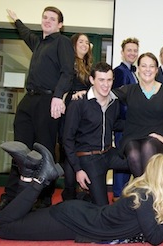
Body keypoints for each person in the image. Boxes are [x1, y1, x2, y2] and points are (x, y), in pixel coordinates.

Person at [0, 141, 163, 245]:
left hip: (79, 216)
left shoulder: (148, 193)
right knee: (0, 227)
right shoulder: (145, 195)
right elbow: (154, 237)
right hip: (74, 223)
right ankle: (39, 179)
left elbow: (150, 226)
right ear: (161, 178)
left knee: (20, 218)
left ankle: (27, 174)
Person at [0, 7, 74, 213]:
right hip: (29, 100)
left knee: (44, 151)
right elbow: (27, 34)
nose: (47, 21)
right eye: (45, 17)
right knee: (19, 150)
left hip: (47, 100)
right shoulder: (38, 43)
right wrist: (17, 20)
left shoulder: (61, 42)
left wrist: (57, 96)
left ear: (60, 25)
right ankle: (9, 197)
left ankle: (42, 200)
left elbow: (67, 72)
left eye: (52, 19)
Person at [63, 62, 131, 206]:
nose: (105, 85)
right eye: (101, 80)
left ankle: (141, 203)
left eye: (109, 80)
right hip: (89, 158)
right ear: (92, 80)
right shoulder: (79, 104)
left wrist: (140, 126)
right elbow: (67, 139)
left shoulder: (114, 102)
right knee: (102, 208)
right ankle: (81, 199)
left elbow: (114, 124)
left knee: (139, 162)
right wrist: (78, 169)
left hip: (108, 153)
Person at [112, 52, 163, 178]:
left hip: (156, 137)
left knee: (148, 147)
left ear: (156, 70)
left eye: (151, 66)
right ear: (138, 69)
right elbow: (106, 93)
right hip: (132, 136)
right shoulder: (129, 90)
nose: (147, 70)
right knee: (133, 154)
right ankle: (146, 190)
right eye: (144, 66)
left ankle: (149, 191)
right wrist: (85, 93)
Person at [60, 33, 93, 201]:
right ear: (73, 44)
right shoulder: (69, 62)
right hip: (70, 111)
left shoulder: (87, 65)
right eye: (81, 41)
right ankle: (69, 193)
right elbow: (64, 85)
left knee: (77, 150)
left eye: (87, 42)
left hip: (82, 113)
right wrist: (71, 95)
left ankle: (76, 192)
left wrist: (85, 92)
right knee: (69, 150)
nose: (85, 44)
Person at [112, 37, 139, 202]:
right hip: (124, 124)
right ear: (122, 53)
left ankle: (123, 194)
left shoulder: (133, 72)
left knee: (130, 160)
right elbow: (119, 98)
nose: (132, 53)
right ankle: (117, 195)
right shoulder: (120, 71)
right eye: (129, 50)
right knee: (122, 160)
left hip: (132, 125)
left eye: (135, 50)